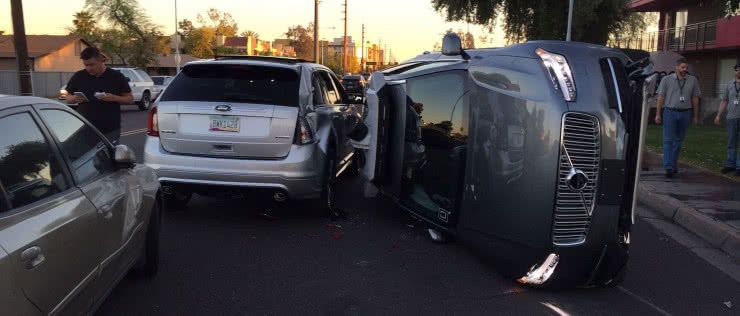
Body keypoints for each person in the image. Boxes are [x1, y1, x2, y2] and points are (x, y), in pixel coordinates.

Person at [64, 47, 133, 144]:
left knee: (108, 158)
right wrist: (73, 98)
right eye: (86, 65)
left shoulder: (116, 76)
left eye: (92, 65)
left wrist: (114, 98)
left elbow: (130, 99)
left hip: (109, 129)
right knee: (85, 158)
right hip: (84, 128)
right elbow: (67, 96)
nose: (89, 68)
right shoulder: (79, 76)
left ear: (101, 60)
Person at [655, 58, 701, 178]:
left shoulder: (692, 80)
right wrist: (658, 113)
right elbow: (660, 97)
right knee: (668, 140)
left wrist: (695, 116)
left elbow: (695, 99)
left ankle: (673, 163)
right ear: (676, 67)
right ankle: (668, 167)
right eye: (682, 67)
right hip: (670, 112)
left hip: (685, 113)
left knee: (678, 141)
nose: (685, 70)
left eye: (686, 67)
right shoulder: (666, 80)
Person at [714, 63, 740, 176]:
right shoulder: (729, 84)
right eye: (737, 70)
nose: (739, 72)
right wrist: (719, 115)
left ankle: (739, 167)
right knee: (731, 142)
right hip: (731, 117)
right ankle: (730, 165)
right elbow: (724, 100)